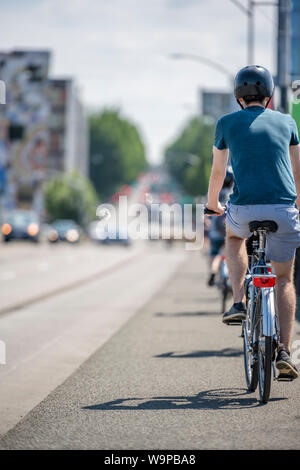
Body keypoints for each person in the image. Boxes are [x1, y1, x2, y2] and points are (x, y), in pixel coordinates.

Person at [206, 65, 300, 379]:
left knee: (233, 239)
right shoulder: (287, 121)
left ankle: (238, 302)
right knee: (284, 279)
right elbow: (298, 171)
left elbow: (219, 172)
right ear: (269, 94)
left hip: (244, 209)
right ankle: (284, 351)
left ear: (238, 96)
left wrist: (212, 204)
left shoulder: (226, 123)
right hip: (284, 210)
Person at [207, 168, 233, 286]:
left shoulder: (214, 194)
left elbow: (207, 213)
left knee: (215, 254)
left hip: (216, 232)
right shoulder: (233, 194)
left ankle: (213, 272)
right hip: (230, 230)